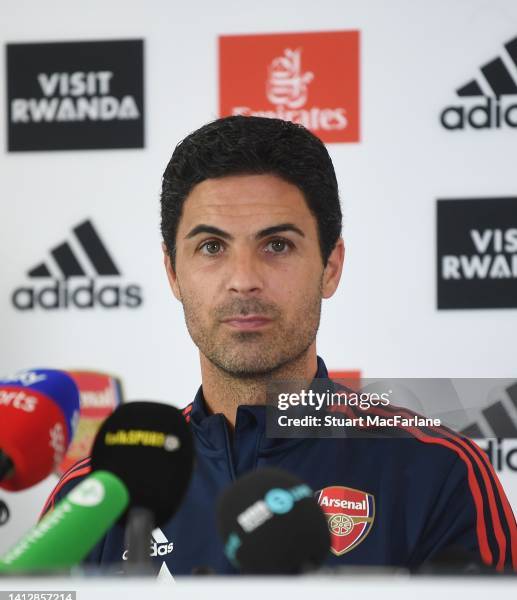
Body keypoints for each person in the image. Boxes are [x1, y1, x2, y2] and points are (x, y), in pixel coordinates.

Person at [41, 115, 517, 574]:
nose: (244, 281)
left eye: (277, 245)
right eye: (211, 246)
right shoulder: (95, 496)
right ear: (172, 272)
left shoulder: (440, 472)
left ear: (330, 266)